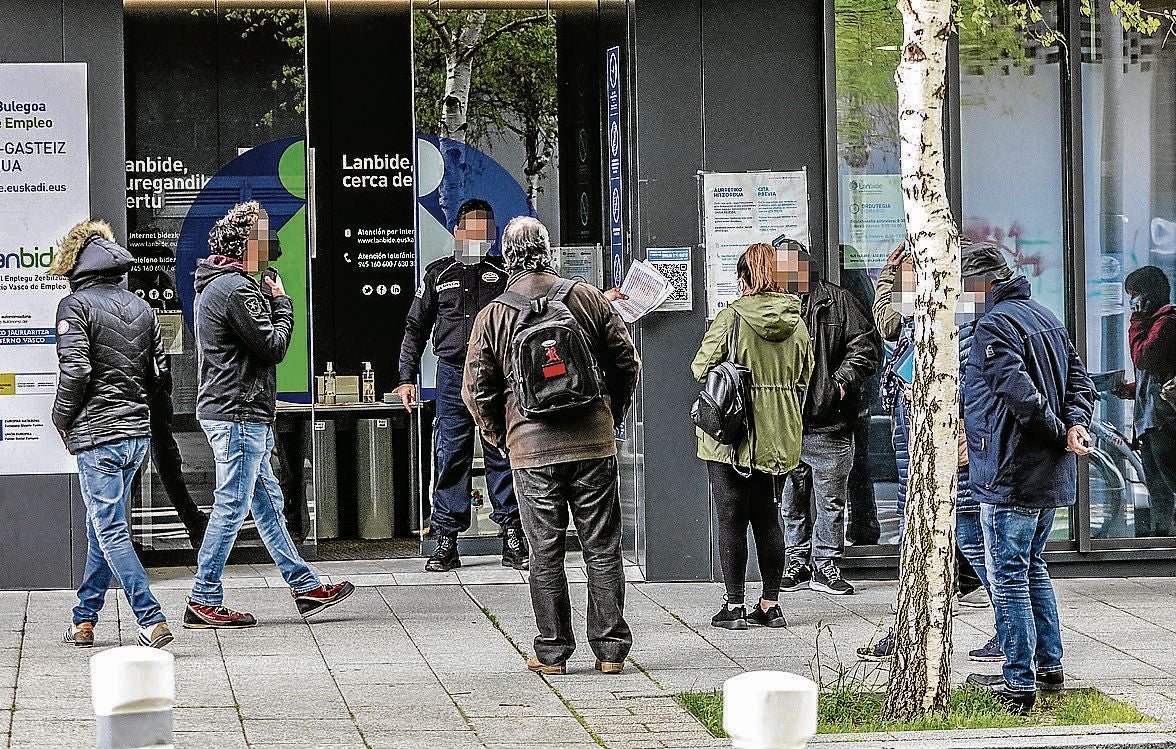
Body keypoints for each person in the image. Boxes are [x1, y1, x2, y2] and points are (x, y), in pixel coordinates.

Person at [463, 216, 641, 675]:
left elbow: (476, 388)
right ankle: (610, 651)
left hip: (531, 449)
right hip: (592, 443)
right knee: (602, 548)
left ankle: (553, 652)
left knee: (545, 552)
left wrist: (498, 435)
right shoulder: (588, 298)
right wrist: (611, 414)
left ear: (506, 259)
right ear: (549, 251)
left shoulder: (494, 315)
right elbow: (627, 363)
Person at [186, 202, 353, 629]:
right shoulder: (235, 290)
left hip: (237, 409)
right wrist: (282, 302)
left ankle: (305, 586)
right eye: (263, 235)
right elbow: (274, 346)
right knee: (232, 504)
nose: (271, 243)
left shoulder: (218, 286)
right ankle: (203, 597)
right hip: (238, 411)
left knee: (267, 505)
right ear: (245, 243)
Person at [960, 243, 1096, 714]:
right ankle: (1048, 664)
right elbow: (1082, 384)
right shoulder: (1045, 316)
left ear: (983, 285)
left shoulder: (993, 324)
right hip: (1041, 473)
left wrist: (1063, 432)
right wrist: (1074, 426)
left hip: (1009, 469)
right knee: (1032, 566)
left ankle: (1018, 680)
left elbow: (1020, 397)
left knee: (1011, 574)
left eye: (965, 287)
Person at [857, 242, 1000, 664]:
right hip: (915, 431)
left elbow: (977, 385)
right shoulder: (928, 309)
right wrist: (891, 277)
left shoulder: (964, 315)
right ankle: (911, 628)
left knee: (972, 536)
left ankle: (1010, 629)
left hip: (949, 438)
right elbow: (889, 320)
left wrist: (970, 438)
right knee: (918, 536)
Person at [50, 219, 173, 650]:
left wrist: (61, 418)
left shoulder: (76, 307)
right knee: (102, 526)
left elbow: (77, 369)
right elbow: (161, 375)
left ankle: (150, 617)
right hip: (135, 433)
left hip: (98, 435)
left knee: (110, 530)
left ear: (75, 265)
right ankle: (84, 619)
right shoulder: (141, 307)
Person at [396, 198, 527, 572]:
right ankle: (447, 540)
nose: (478, 236)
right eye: (471, 228)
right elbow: (414, 329)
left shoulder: (505, 275)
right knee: (450, 455)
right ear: (457, 232)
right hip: (452, 374)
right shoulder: (437, 274)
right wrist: (407, 378)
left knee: (501, 451)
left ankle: (512, 536)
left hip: (497, 375)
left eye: (485, 230)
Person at [691, 243, 813, 631]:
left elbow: (701, 367)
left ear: (743, 279)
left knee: (731, 518)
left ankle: (734, 606)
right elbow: (805, 374)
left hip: (733, 432)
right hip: (778, 432)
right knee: (767, 515)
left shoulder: (733, 317)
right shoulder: (797, 321)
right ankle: (771, 604)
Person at [775, 238, 882, 596]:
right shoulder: (772, 306)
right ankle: (796, 562)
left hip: (830, 421)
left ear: (807, 265)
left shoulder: (838, 301)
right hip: (787, 424)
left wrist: (839, 386)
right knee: (791, 499)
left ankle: (826, 564)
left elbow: (866, 348)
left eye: (794, 266)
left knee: (831, 500)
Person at [1113, 266, 1176, 537]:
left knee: (1167, 483)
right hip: (1152, 422)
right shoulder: (1157, 323)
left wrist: (1136, 320)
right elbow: (1154, 373)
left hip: (1164, 422)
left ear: (1148, 296)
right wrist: (1130, 389)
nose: (1131, 301)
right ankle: (1161, 540)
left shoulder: (1168, 322)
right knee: (1158, 489)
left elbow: (1144, 357)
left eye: (1134, 294)